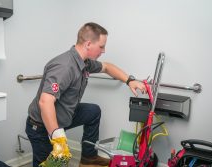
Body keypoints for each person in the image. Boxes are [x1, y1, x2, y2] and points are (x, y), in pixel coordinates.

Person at [25, 22, 146, 167]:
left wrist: (129, 80)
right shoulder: (65, 66)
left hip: (63, 115)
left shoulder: (85, 62)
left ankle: (89, 157)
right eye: (101, 46)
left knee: (93, 111)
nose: (104, 50)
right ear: (88, 44)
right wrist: (58, 140)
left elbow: (107, 67)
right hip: (42, 126)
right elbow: (45, 102)